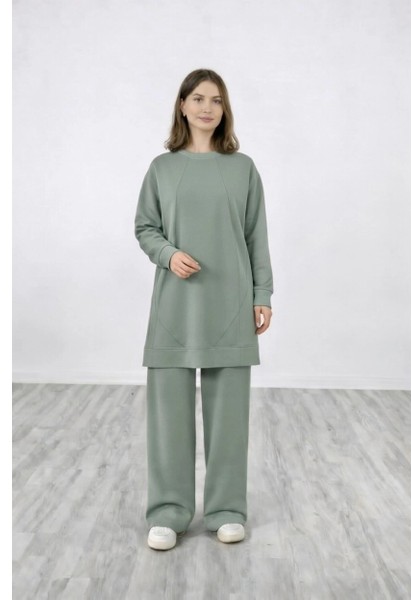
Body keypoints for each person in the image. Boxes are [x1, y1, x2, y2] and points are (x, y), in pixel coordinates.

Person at [134, 68, 273, 551]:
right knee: (168, 417)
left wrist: (262, 294)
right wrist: (168, 254)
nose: (207, 107)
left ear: (224, 108)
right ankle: (168, 512)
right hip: (175, 306)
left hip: (231, 304)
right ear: (182, 106)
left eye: (216, 99)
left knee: (229, 418)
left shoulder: (243, 168)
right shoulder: (161, 168)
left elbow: (256, 235)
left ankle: (227, 510)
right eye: (198, 98)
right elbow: (145, 227)